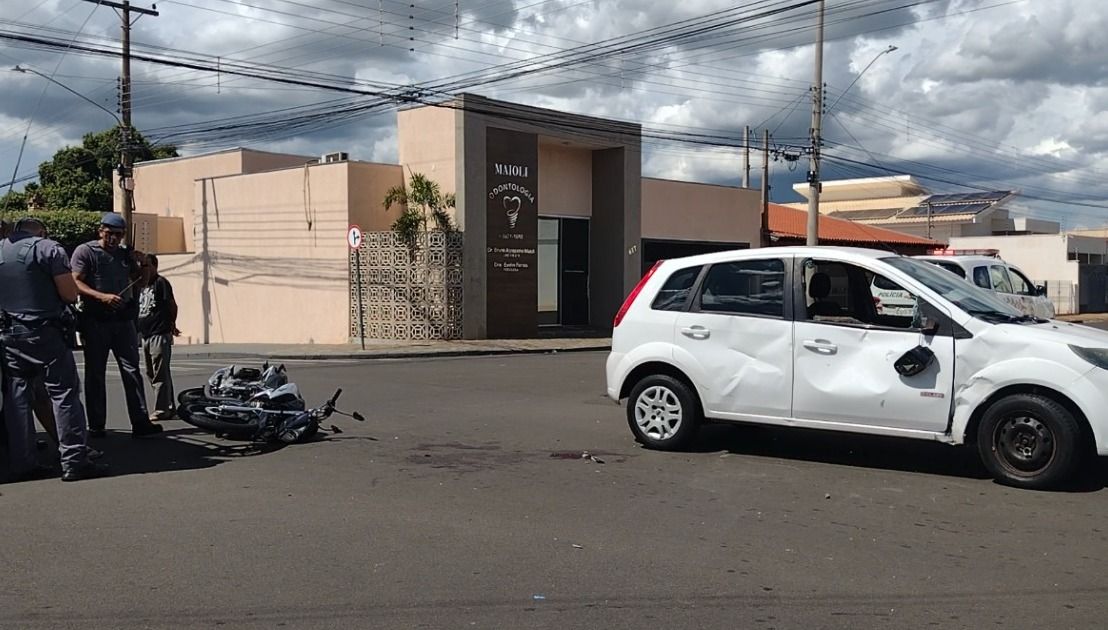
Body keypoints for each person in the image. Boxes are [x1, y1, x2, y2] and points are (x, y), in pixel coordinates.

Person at [0, 216, 107, 481]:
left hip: (9, 334)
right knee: (64, 394)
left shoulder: (1, 249)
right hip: (44, 332)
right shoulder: (48, 249)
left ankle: (23, 463)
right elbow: (70, 294)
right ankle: (74, 460)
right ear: (41, 231)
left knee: (17, 399)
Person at [71, 213, 163, 439]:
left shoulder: (125, 255)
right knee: (95, 374)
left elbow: (142, 282)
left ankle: (140, 421)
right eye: (109, 233)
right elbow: (75, 281)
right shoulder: (86, 252)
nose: (113, 238)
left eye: (118, 235)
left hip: (123, 321)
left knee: (132, 372)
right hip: (96, 321)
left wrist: (142, 263)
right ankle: (96, 425)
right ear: (100, 231)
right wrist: (101, 296)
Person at [138, 253, 179, 421]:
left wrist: (172, 325)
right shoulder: (141, 285)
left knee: (160, 372)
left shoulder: (161, 283)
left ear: (154, 266)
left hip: (159, 333)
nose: (144, 269)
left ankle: (162, 409)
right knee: (151, 372)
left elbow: (171, 305)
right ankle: (169, 405)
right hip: (146, 334)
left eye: (147, 266)